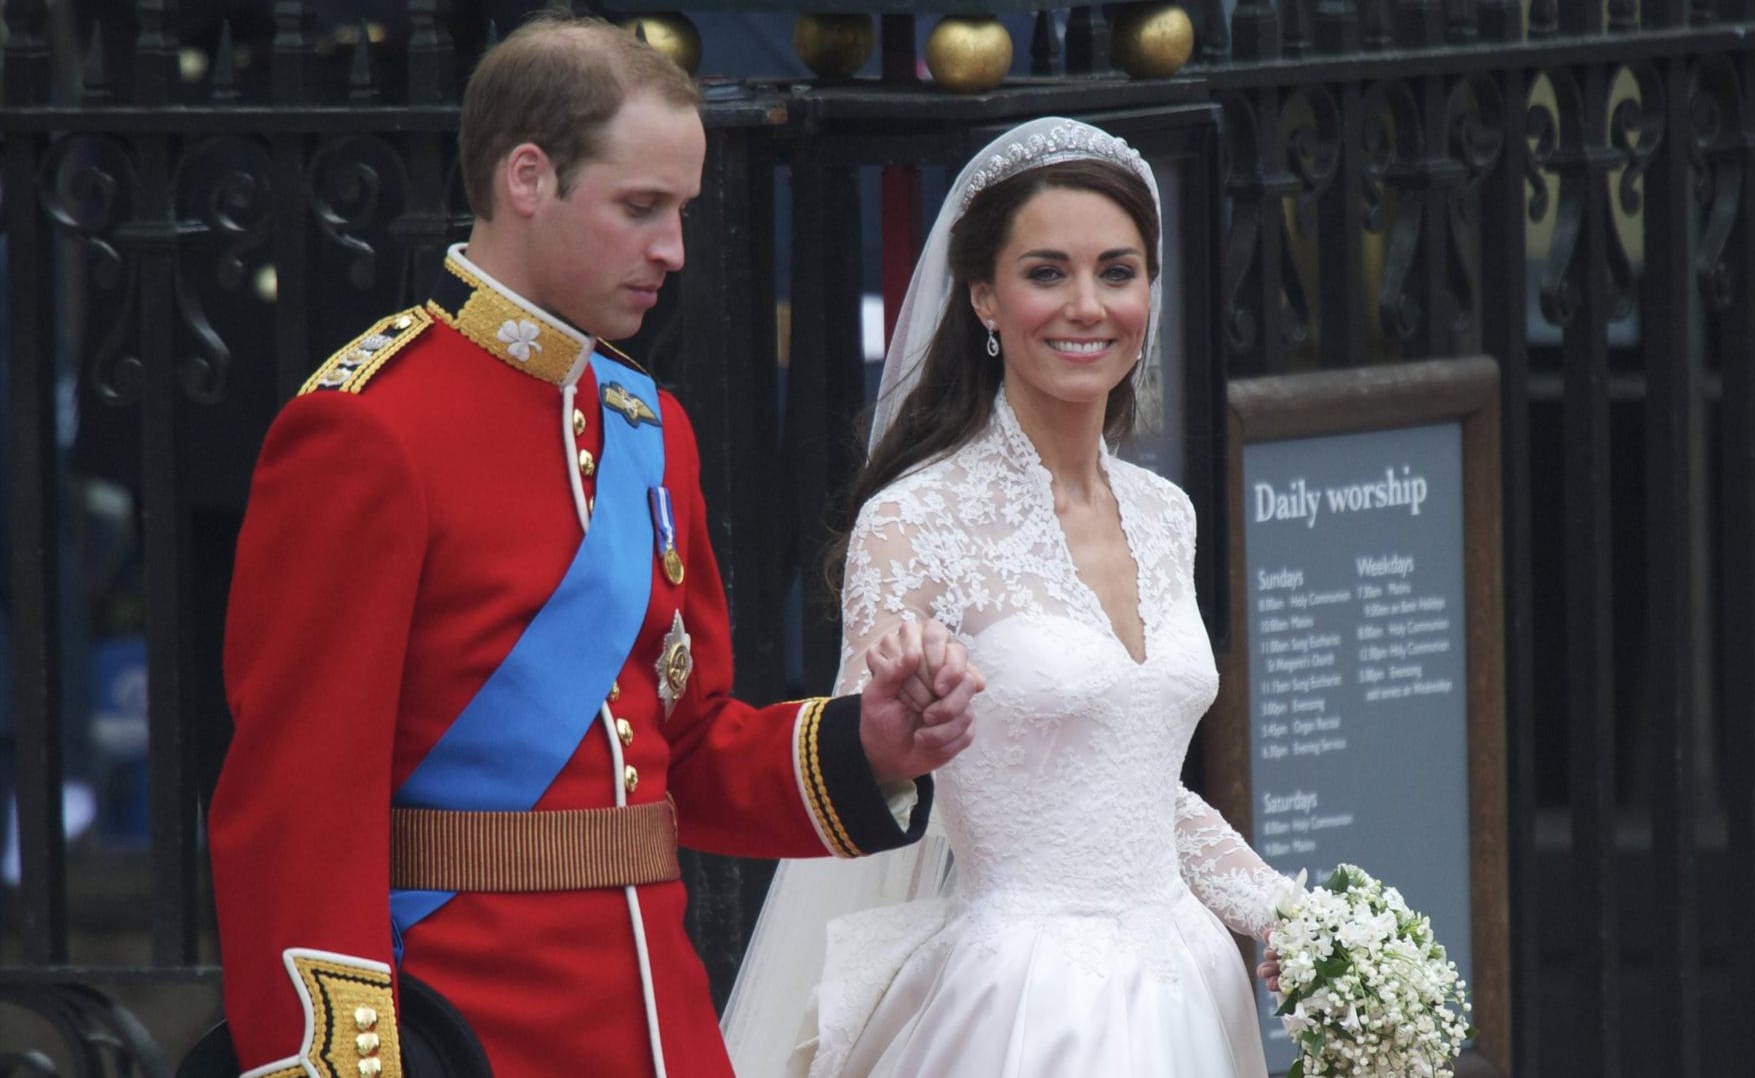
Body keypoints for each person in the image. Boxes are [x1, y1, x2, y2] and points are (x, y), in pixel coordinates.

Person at [206, 14, 981, 1078]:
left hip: (661, 1023)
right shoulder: (367, 427)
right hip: (470, 1027)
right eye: (640, 207)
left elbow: (688, 751)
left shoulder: (645, 426)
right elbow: (295, 806)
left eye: (681, 211)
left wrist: (871, 744)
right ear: (529, 178)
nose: (673, 249)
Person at [721, 117, 1297, 1078]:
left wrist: (1296, 918)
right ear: (984, 295)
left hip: (1188, 989)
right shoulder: (915, 520)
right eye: (1047, 273)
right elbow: (875, 777)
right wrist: (900, 706)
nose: (1087, 305)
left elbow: (1139, 790)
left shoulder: (1167, 515)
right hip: (1021, 1011)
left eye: (1118, 272)